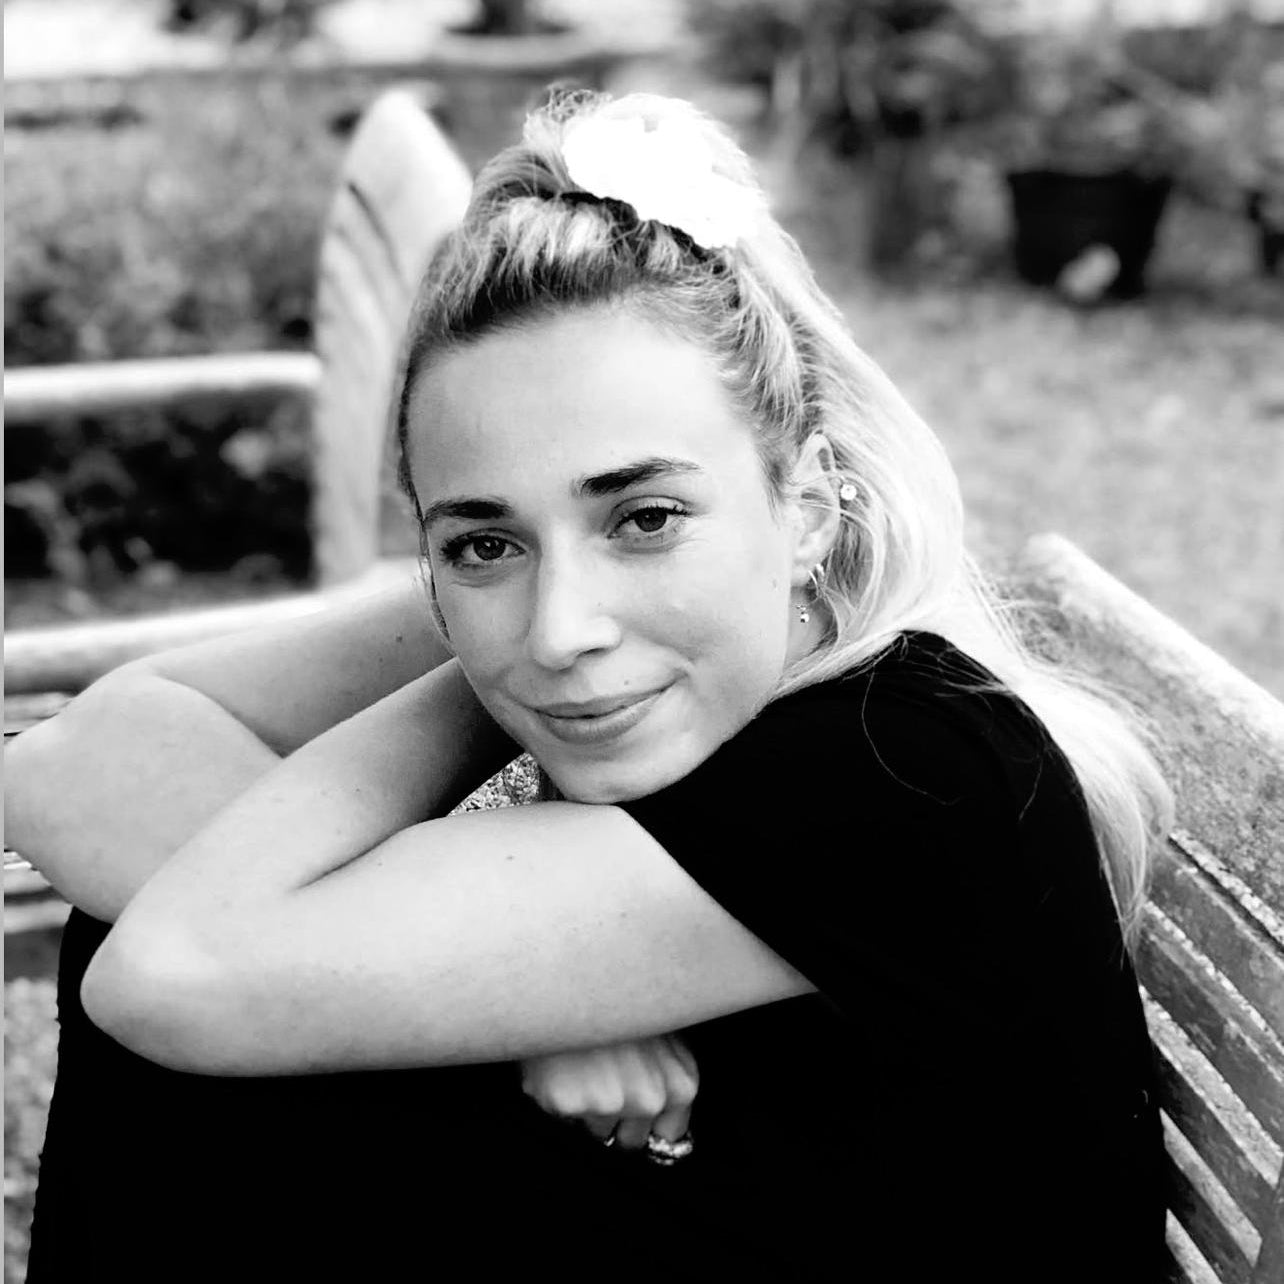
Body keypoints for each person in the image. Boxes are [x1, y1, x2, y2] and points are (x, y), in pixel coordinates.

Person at [6, 88, 1173, 1282]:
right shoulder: (708, 669)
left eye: (645, 518)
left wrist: (486, 667)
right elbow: (64, 769)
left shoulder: (900, 767)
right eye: (484, 541)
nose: (563, 628)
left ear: (811, 507)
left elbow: (178, 968)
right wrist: (526, 1010)